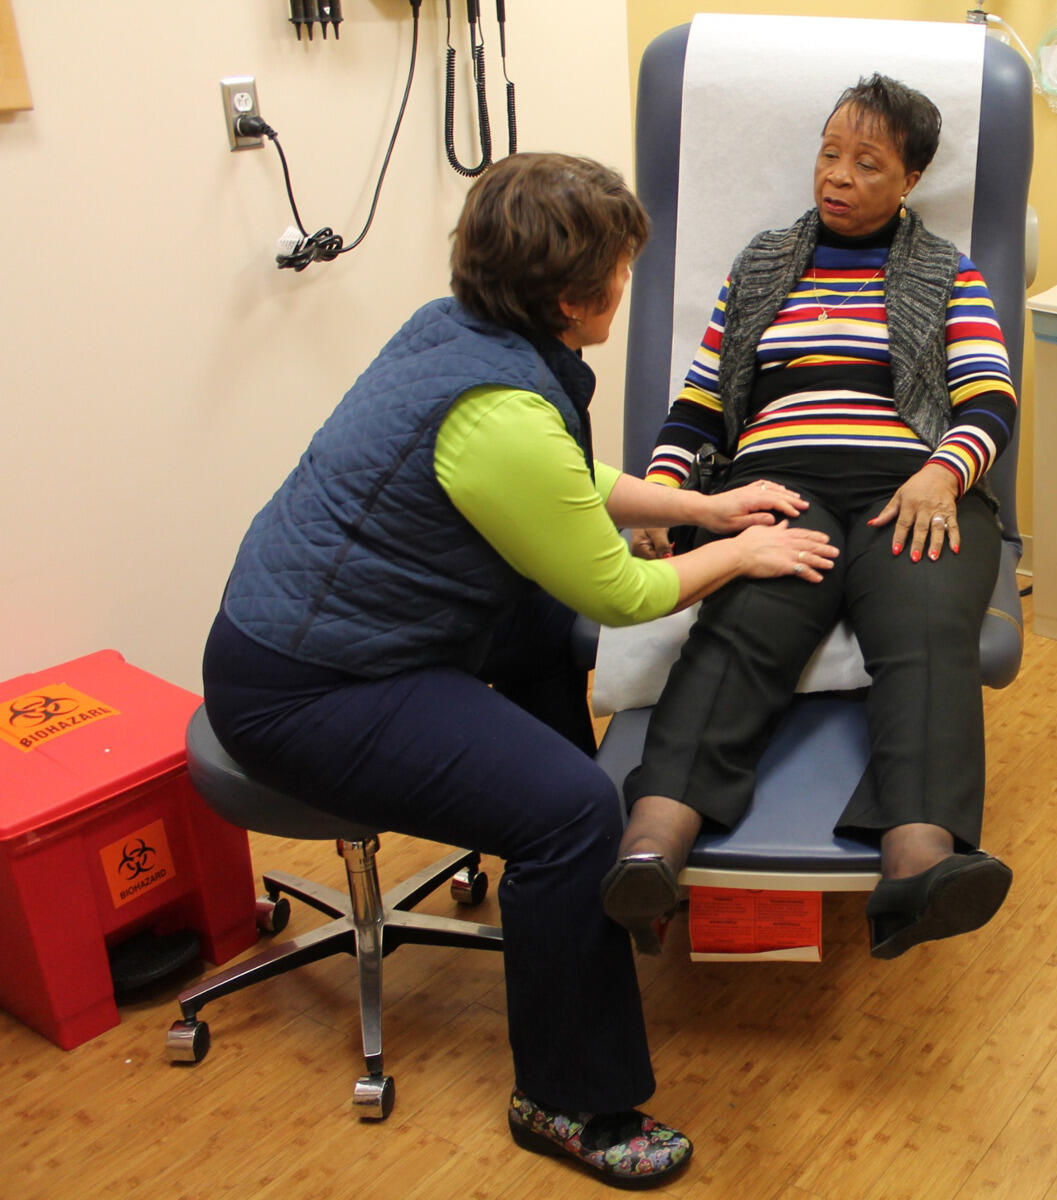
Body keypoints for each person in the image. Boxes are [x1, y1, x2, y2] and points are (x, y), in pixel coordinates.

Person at [201, 153, 837, 1190]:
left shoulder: (453, 330)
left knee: (540, 630)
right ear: (575, 299)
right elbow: (621, 594)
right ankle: (568, 1100)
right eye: (620, 270)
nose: (627, 283)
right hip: (309, 690)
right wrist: (742, 552)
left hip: (342, 634)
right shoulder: (498, 409)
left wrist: (702, 507)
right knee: (570, 811)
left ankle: (579, 892)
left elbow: (563, 477)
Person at [606, 75, 1016, 961]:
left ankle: (917, 865)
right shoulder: (762, 265)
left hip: (910, 491)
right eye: (830, 154)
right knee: (742, 630)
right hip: (778, 488)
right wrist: (669, 490)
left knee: (926, 633)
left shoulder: (948, 272)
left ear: (910, 180)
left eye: (867, 163)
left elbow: (990, 400)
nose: (838, 176)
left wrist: (943, 475)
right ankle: (650, 850)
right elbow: (702, 403)